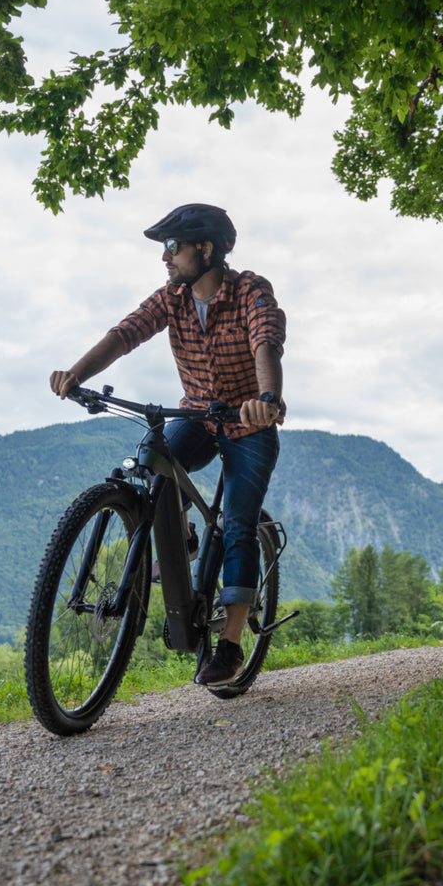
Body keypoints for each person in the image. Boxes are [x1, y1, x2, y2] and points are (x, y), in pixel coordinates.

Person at [49, 203, 286, 687]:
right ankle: (187, 538)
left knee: (238, 525)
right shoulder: (172, 297)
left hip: (248, 423)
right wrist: (77, 374)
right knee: (153, 458)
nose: (165, 257)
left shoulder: (249, 291)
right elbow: (125, 334)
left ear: (206, 248)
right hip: (199, 414)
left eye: (172, 247)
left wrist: (267, 398)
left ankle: (230, 647)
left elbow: (266, 341)